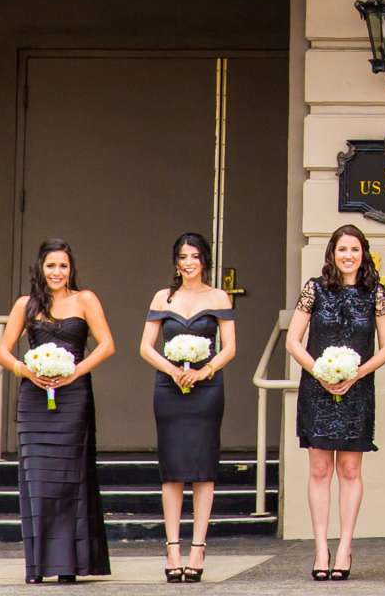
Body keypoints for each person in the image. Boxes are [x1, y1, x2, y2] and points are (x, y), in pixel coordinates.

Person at [0, 237, 114, 584]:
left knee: (68, 479)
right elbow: (3, 351)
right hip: (34, 400)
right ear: (40, 268)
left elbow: (107, 344)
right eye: (51, 266)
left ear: (71, 268)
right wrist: (26, 370)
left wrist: (75, 371)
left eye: (63, 265)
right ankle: (37, 565)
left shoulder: (85, 299)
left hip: (73, 396)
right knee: (38, 481)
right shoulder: (26, 304)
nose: (57, 272)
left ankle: (68, 565)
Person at [287, 224, 385, 581]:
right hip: (317, 389)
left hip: (357, 389)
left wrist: (356, 374)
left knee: (350, 470)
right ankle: (320, 548)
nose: (348, 255)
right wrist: (319, 371)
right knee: (319, 471)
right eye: (342, 249)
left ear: (364, 254)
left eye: (355, 249)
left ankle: (345, 546)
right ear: (332, 253)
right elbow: (293, 341)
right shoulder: (314, 290)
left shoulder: (375, 293)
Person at [139, 231, 234, 583]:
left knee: (203, 468)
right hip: (169, 387)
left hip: (207, 388)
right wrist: (173, 370)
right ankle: (172, 549)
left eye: (195, 256)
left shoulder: (218, 296)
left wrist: (204, 370)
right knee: (173, 469)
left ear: (204, 260)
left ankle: (198, 548)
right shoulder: (163, 297)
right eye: (183, 257)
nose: (189, 262)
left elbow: (229, 347)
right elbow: (146, 347)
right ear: (176, 262)